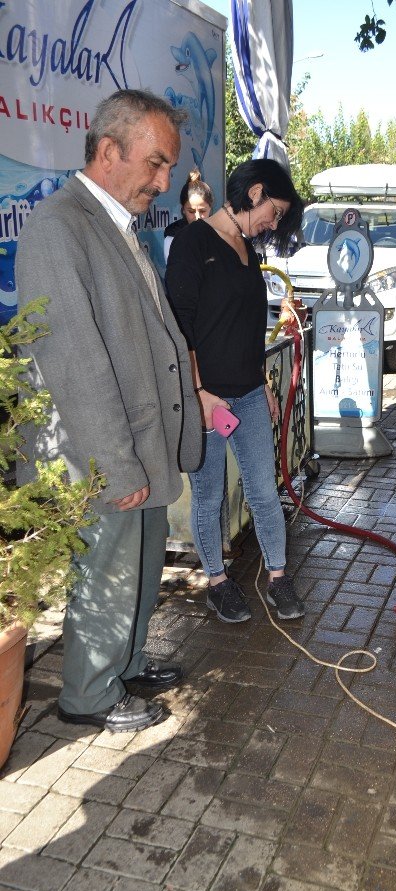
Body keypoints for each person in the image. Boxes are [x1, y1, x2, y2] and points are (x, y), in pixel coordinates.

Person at [15, 90, 202, 734]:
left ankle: (125, 663)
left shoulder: (114, 223)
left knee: (141, 569)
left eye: (168, 166)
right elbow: (76, 363)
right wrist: (117, 466)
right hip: (101, 453)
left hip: (137, 442)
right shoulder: (59, 226)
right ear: (107, 150)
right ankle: (89, 694)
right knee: (108, 573)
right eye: (155, 164)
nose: (165, 182)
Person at [166, 158, 306, 623]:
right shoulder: (193, 242)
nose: (274, 223)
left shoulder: (247, 247)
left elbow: (247, 326)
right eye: (275, 211)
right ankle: (217, 582)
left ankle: (278, 577)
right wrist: (198, 393)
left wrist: (262, 381)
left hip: (247, 393)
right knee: (209, 497)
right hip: (207, 400)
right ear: (255, 192)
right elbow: (178, 328)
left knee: (264, 490)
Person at [163, 168, 214, 262]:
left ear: (210, 208)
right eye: (191, 211)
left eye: (202, 211)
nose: (197, 217)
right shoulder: (172, 237)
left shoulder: (221, 235)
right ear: (183, 210)